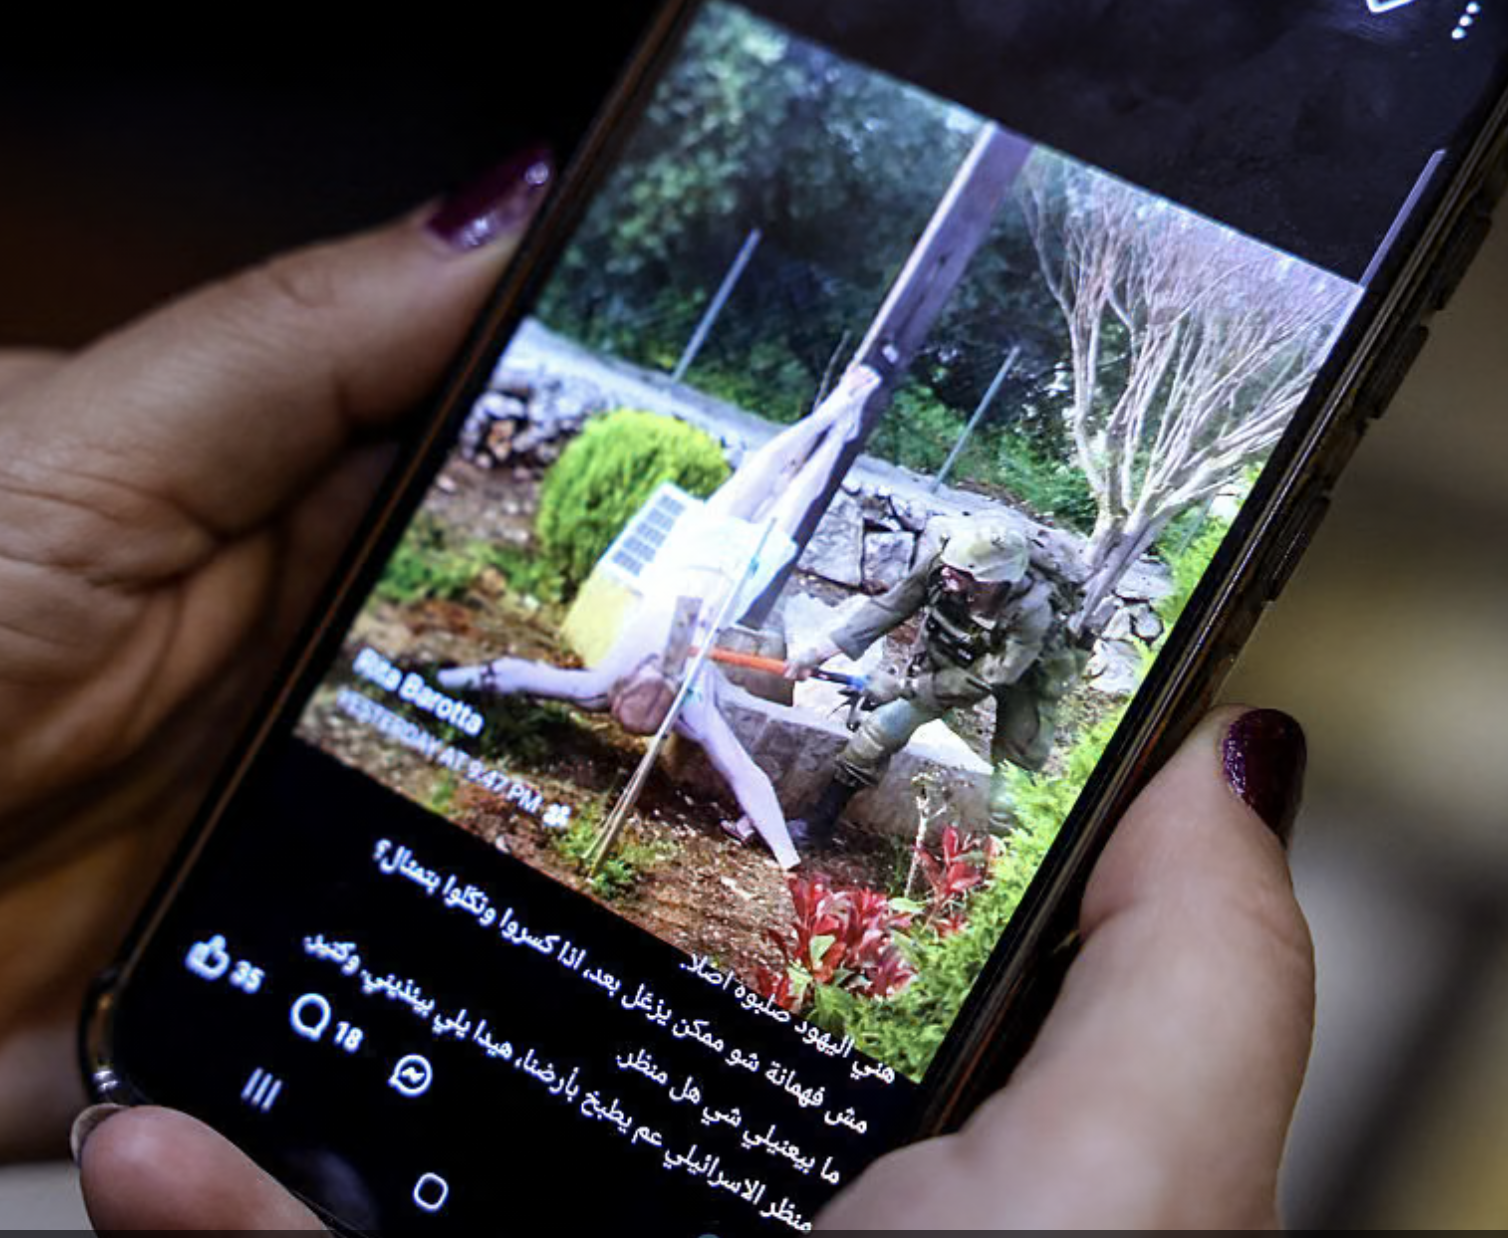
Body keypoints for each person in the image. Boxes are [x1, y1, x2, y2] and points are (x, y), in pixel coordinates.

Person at [0, 153, 1314, 1229]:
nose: (627, 719)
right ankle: (745, 472)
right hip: (683, 611)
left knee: (762, 607)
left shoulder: (729, 646)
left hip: (698, 616)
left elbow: (766, 665)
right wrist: (479, 665)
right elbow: (710, 587)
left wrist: (778, 743)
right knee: (680, 575)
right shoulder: (670, 610)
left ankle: (812, 488)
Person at [435, 363, 886, 872]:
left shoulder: (600, 684)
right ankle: (839, 432)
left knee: (761, 470)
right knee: (797, 499)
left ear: (623, 685)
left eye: (650, 673)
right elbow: (746, 775)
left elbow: (523, 676)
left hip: (688, 560)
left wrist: (452, 678)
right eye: (659, 677)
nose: (656, 670)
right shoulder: (691, 708)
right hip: (733, 576)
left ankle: (827, 413)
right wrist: (788, 860)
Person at [786, 516, 1082, 847]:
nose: (946, 572)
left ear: (990, 581)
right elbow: (889, 606)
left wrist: (905, 688)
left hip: (1027, 678)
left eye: (960, 572)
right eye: (948, 564)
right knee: (881, 729)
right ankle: (817, 826)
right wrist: (818, 652)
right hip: (957, 655)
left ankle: (998, 870)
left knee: (1014, 780)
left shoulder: (1033, 612)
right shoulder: (942, 566)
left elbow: (991, 678)